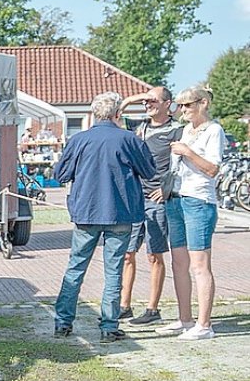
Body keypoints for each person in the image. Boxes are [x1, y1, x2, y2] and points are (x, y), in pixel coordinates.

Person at [51, 92, 154, 343]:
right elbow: (149, 171)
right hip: (120, 212)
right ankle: (109, 325)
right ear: (118, 114)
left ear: (94, 113)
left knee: (75, 268)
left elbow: (61, 174)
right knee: (113, 270)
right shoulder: (129, 139)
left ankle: (63, 322)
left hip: (86, 211)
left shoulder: (79, 140)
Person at [157, 85, 225, 340]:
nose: (183, 110)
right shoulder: (187, 129)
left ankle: (204, 324)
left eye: (188, 105)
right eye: (181, 105)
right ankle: (185, 319)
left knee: (200, 265)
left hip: (199, 200)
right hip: (177, 198)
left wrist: (187, 152)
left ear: (203, 103)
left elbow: (212, 169)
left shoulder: (214, 130)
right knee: (179, 263)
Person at [118, 87, 182, 326]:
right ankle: (124, 306)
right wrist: (133, 98)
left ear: (168, 104)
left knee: (154, 255)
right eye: (146, 101)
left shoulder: (176, 130)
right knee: (127, 254)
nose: (148, 105)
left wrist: (165, 190)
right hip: (136, 199)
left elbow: (180, 165)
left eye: (154, 101)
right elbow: (114, 114)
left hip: (157, 200)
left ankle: (152, 309)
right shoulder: (139, 126)